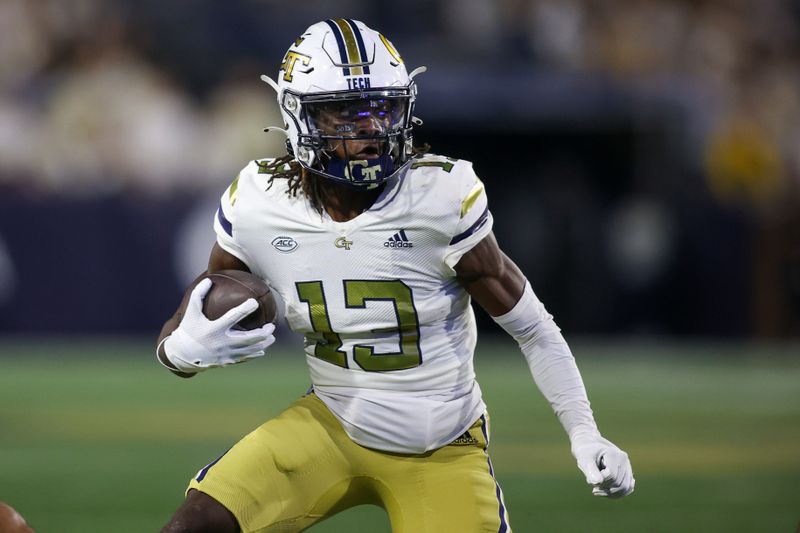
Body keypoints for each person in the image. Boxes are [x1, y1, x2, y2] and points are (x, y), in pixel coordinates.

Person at [157, 19, 634, 533]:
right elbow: (206, 301)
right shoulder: (258, 202)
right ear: (299, 116)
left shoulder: (439, 198)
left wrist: (585, 433)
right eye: (344, 110)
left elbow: (533, 328)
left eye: (381, 107)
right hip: (330, 423)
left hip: (442, 447)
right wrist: (177, 352)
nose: (369, 128)